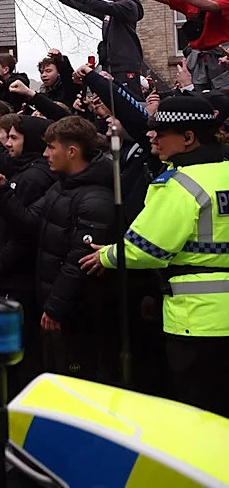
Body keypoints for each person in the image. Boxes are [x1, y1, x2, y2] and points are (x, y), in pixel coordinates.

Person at [79, 96, 229, 416]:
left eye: (160, 132)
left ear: (188, 138)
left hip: (197, 322)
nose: (151, 137)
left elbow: (146, 249)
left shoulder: (181, 185)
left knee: (201, 416)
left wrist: (105, 256)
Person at [0, 116, 118, 384]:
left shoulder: (95, 198)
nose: (45, 154)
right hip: (49, 303)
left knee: (76, 379)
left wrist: (55, 307)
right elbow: (30, 220)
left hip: (76, 311)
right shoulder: (61, 187)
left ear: (72, 151)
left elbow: (78, 261)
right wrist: (2, 193)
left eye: (51, 147)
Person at [124, 0, 229, 91]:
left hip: (221, 58)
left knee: (222, 94)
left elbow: (213, 6)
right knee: (198, 95)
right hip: (197, 60)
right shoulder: (188, 3)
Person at [45, 0, 144, 99]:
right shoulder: (111, 13)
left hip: (125, 66)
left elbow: (103, 6)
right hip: (111, 66)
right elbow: (85, 6)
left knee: (130, 100)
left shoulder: (129, 6)